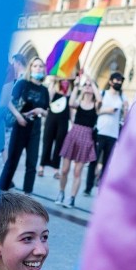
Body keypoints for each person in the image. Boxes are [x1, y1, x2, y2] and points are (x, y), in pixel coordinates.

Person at [0, 58, 50, 194]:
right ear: (30, 68)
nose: (38, 68)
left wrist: (41, 111)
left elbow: (47, 111)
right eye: (35, 66)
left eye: (40, 66)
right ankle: (2, 189)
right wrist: (18, 116)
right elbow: (8, 100)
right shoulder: (22, 84)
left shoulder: (44, 90)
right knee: (12, 160)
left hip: (35, 128)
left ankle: (27, 194)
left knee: (32, 164)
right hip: (20, 126)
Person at [55, 76, 100, 209]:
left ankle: (72, 198)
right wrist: (76, 86)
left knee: (77, 172)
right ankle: (61, 193)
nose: (87, 86)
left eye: (89, 85)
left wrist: (92, 82)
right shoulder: (79, 103)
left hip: (86, 137)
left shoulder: (96, 105)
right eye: (85, 85)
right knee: (64, 170)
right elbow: (70, 102)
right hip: (73, 134)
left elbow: (100, 99)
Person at [85, 71, 128, 195]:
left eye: (120, 81)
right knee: (94, 160)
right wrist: (108, 110)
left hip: (113, 134)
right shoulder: (104, 94)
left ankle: (101, 189)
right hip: (101, 131)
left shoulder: (122, 98)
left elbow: (124, 117)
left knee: (106, 163)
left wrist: (125, 109)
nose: (118, 82)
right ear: (110, 81)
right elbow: (97, 111)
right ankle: (88, 187)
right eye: (116, 80)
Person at [37, 78, 71, 179]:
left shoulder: (69, 95)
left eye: (67, 82)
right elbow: (49, 99)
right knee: (47, 142)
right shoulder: (54, 91)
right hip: (51, 120)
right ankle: (41, 167)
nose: (65, 83)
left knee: (59, 145)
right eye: (63, 81)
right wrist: (53, 83)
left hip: (63, 122)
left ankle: (56, 169)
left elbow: (72, 108)